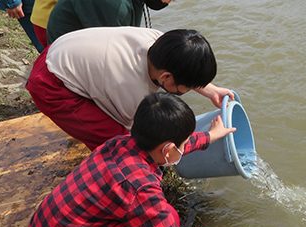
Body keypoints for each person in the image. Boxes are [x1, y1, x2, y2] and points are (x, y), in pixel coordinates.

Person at [27, 92, 232, 227]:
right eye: (184, 143)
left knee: (154, 222)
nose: (184, 146)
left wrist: (210, 136)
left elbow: (169, 150)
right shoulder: (139, 188)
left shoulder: (120, 144)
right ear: (168, 149)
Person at [26, 27, 233, 151]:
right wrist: (201, 140)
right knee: (119, 142)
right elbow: (141, 138)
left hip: (62, 53)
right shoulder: (131, 90)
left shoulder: (160, 42)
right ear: (166, 77)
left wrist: (212, 91)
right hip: (50, 85)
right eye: (185, 88)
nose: (185, 92)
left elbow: (183, 66)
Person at [30, 0, 171, 48]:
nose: (168, 2)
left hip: (87, 23)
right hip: (58, 31)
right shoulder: (114, 7)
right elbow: (112, 51)